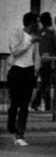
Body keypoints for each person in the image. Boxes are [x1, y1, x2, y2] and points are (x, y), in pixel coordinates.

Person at [8, 12, 41, 146]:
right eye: (36, 22)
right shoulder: (17, 34)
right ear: (31, 23)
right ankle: (12, 128)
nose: (38, 25)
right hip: (16, 69)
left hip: (29, 71)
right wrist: (29, 42)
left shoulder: (35, 38)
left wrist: (36, 69)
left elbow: (36, 54)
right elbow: (15, 51)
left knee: (24, 104)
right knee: (15, 103)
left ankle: (20, 134)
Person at [30, 11, 56, 111]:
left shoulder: (39, 32)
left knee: (46, 83)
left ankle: (48, 106)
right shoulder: (51, 33)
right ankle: (36, 103)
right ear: (49, 21)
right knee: (46, 84)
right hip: (50, 62)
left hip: (39, 61)